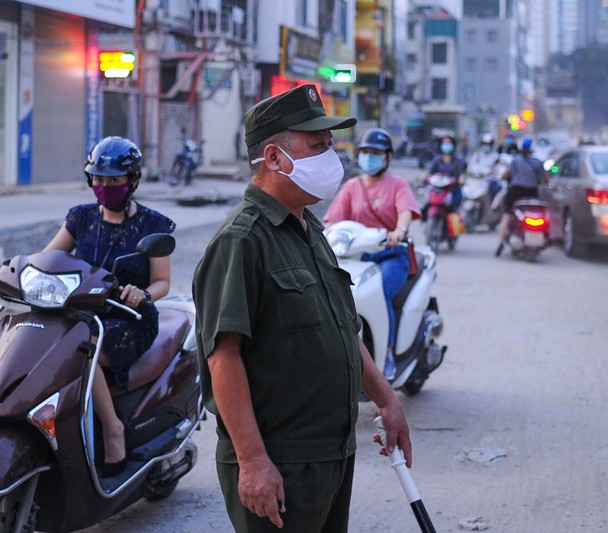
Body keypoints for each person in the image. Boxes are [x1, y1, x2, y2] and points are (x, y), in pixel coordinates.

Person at [192, 84, 412, 533]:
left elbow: (344, 330)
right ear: (274, 158)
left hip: (331, 454)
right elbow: (223, 357)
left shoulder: (309, 228)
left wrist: (387, 399)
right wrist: (253, 462)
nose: (332, 159)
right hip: (280, 462)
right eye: (317, 147)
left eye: (330, 146)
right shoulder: (242, 241)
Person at [43, 136, 175, 476]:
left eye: (113, 180)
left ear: (131, 181)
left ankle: (113, 430)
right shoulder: (80, 218)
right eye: (98, 179)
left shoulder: (152, 225)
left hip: (130, 319)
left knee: (81, 351)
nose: (104, 187)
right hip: (78, 315)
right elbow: (49, 258)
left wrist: (142, 294)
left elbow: (162, 282)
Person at [324, 127, 421, 381]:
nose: (370, 157)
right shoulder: (351, 187)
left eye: (376, 153)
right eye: (366, 152)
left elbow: (406, 212)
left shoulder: (398, 185)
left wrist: (399, 231)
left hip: (391, 256)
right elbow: (332, 221)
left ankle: (387, 353)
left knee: (381, 295)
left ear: (387, 157)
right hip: (357, 257)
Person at [494, 135, 547, 257]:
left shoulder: (515, 161)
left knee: (507, 214)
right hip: (532, 193)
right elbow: (545, 180)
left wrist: (504, 177)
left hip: (515, 192)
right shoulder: (538, 163)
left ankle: (500, 241)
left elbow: (505, 174)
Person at [421, 133, 465, 211]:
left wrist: (462, 178)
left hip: (452, 189)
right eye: (444, 143)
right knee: (426, 203)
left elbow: (461, 174)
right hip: (438, 188)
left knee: (455, 208)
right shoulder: (437, 160)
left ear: (453, 145)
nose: (446, 145)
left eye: (448, 143)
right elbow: (429, 171)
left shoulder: (458, 161)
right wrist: (424, 176)